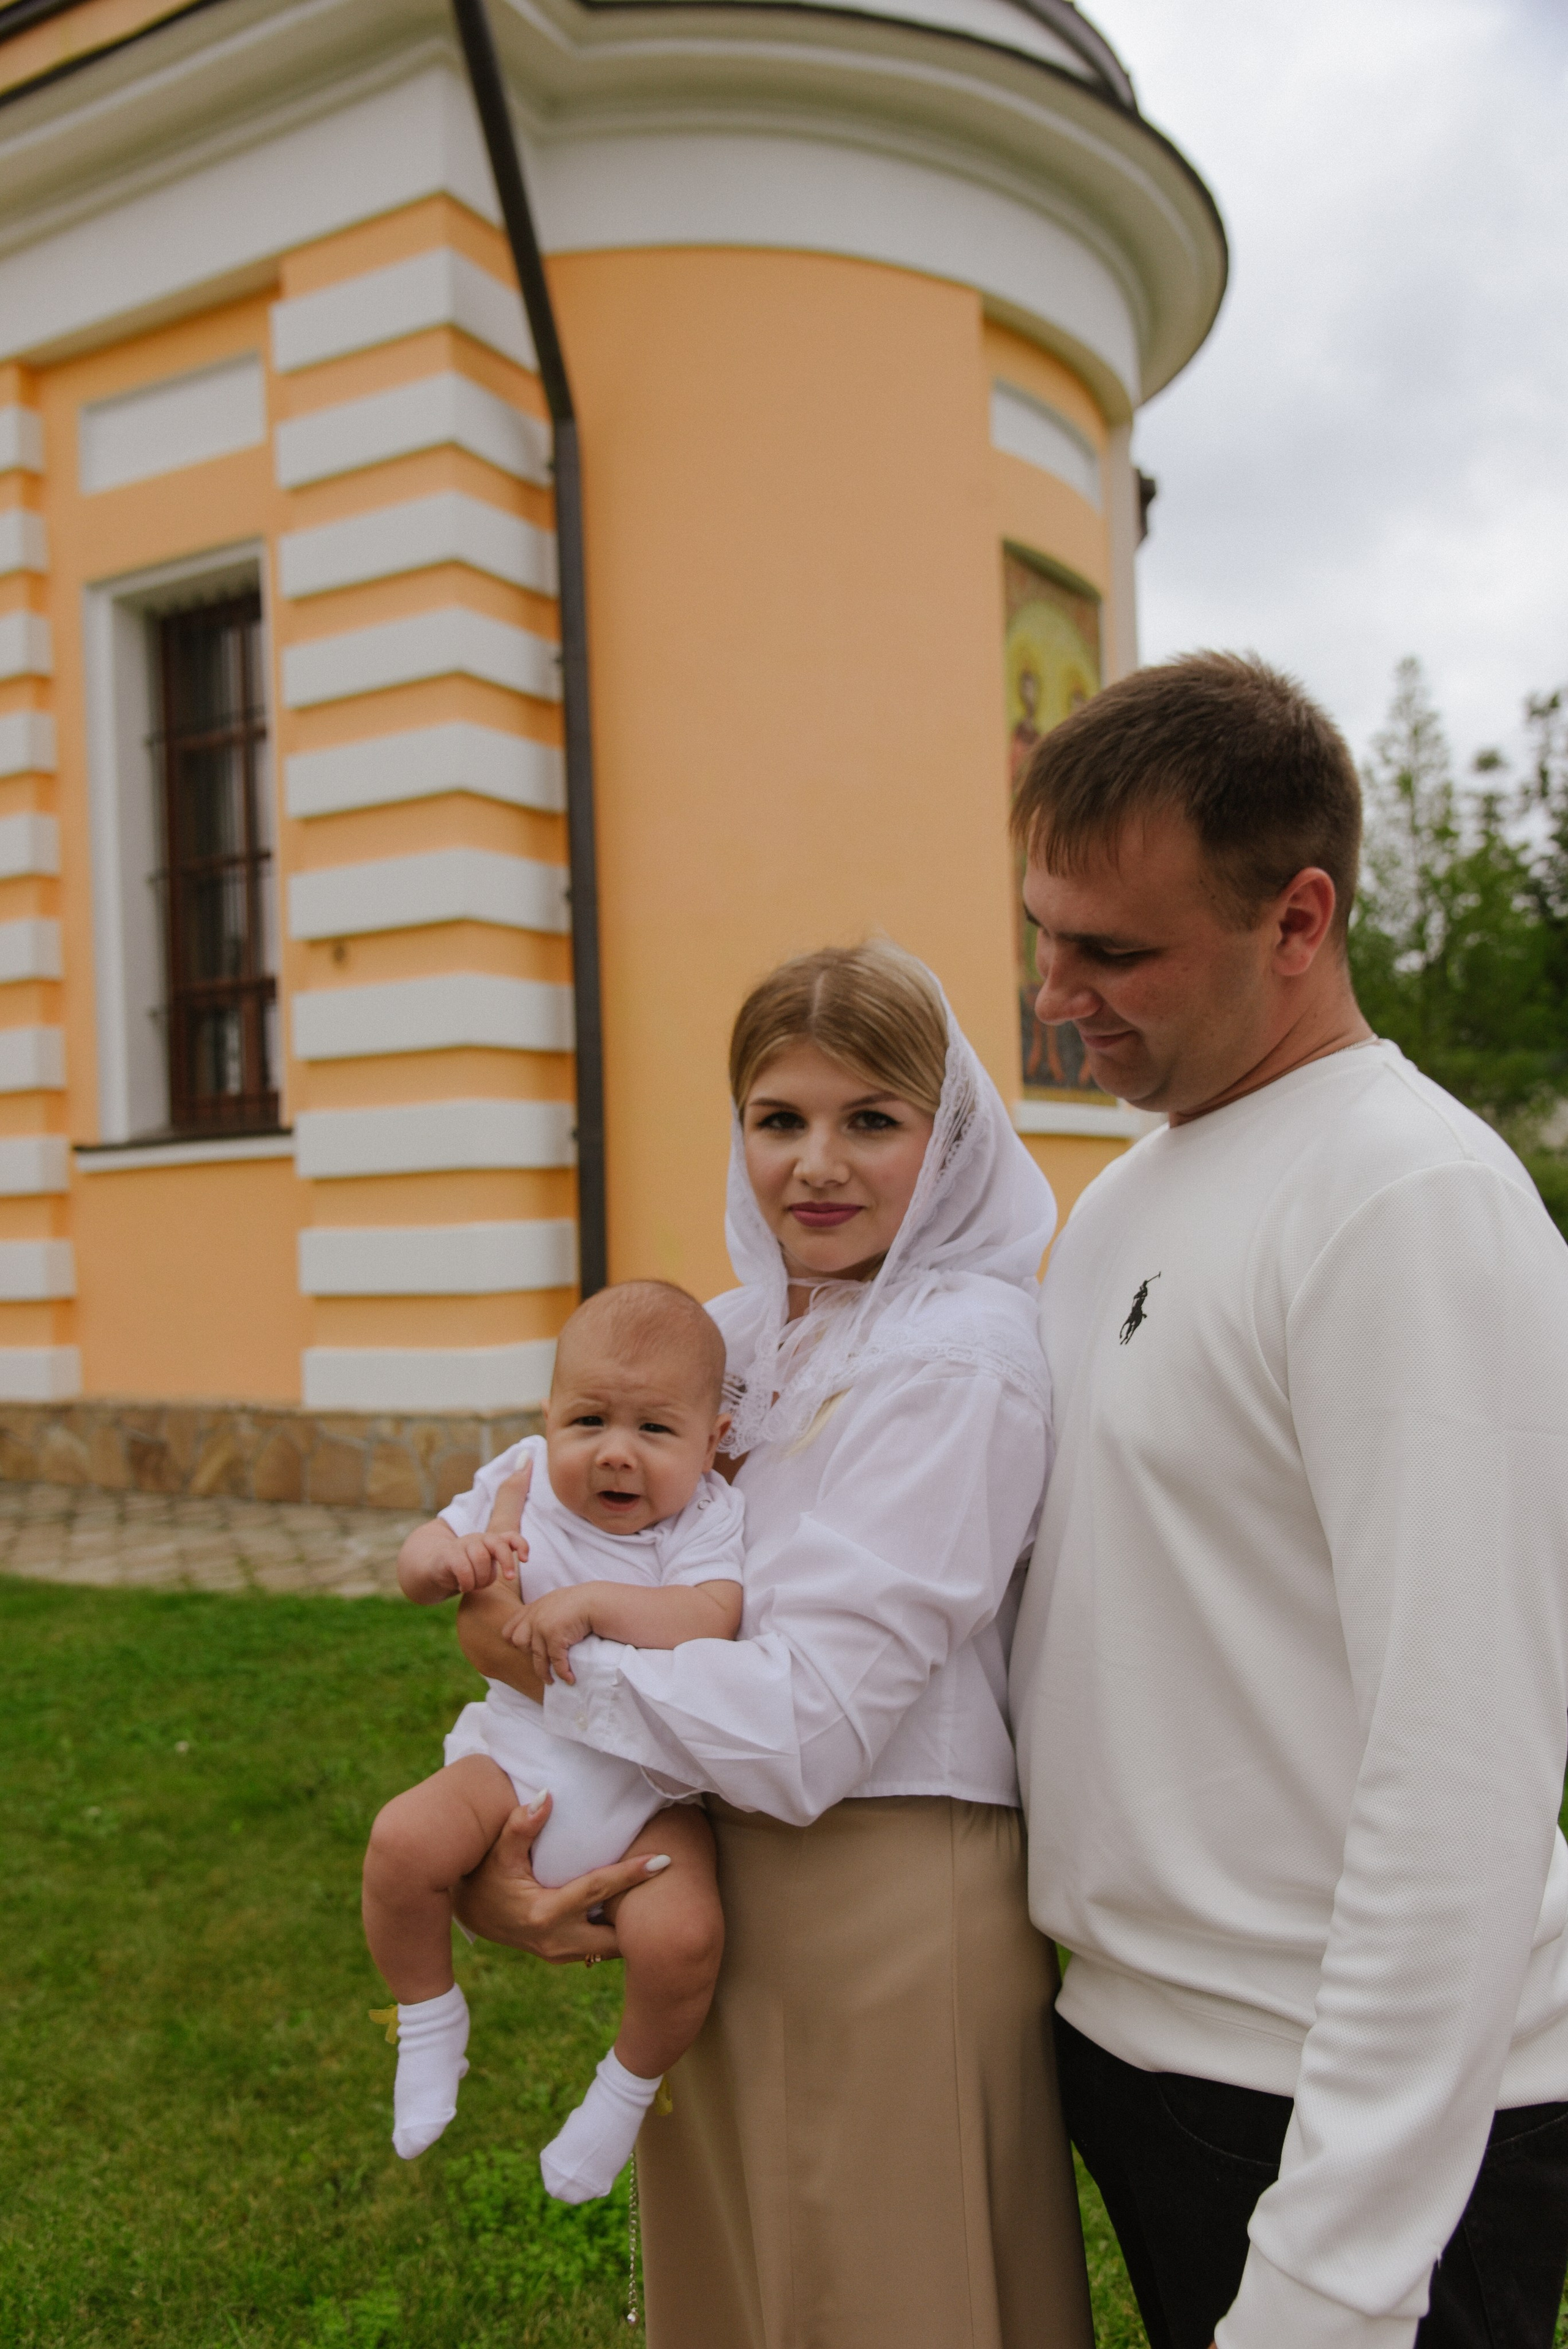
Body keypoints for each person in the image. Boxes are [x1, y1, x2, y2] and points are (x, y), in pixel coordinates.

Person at [1007, 652, 1568, 2349]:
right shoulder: (1121, 1198)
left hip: (1350, 2124)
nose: (1053, 992)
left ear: (1298, 920)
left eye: (1114, 951)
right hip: (1154, 2061)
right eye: (1047, 930)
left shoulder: (1408, 1204)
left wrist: (1334, 2276)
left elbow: (1466, 1769)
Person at [454, 941, 1094, 2349]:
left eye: (871, 1119)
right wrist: (501, 1854)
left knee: (872, 2291)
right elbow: (567, 1548)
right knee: (747, 2286)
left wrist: (541, 1661)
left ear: (953, 1137)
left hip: (881, 1888)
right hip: (710, 1867)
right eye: (778, 1117)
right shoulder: (725, 1339)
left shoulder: (958, 1357)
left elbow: (810, 1731)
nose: (817, 1163)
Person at [361, 1280, 744, 2200]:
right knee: (401, 1841)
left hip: (651, 1794)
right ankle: (428, 2018)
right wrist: (442, 1564)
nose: (615, 1454)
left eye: (654, 1430)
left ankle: (622, 2090)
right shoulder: (521, 1479)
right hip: (514, 1754)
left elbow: (713, 1616)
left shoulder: (708, 1515)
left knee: (685, 1938)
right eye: (588, 1421)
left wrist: (595, 1605)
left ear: (711, 1442)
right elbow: (421, 1558)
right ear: (546, 1417)